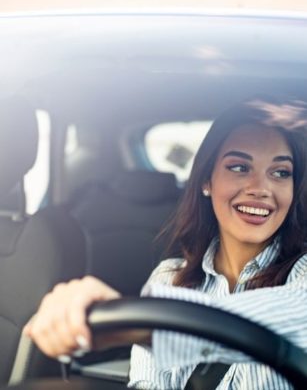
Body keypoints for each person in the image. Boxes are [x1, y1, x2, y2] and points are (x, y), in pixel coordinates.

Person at [24, 98, 307, 389]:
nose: (260, 188)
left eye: (280, 173)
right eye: (239, 167)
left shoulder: (302, 276)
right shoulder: (169, 279)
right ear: (206, 181)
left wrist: (137, 324)